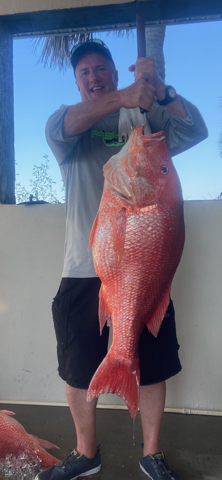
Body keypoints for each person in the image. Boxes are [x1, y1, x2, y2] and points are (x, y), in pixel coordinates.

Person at [37, 39, 208, 480]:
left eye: (101, 69)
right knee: (78, 370)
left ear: (116, 72)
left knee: (152, 365)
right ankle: (85, 453)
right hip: (82, 268)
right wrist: (126, 96)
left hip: (143, 272)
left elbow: (196, 131)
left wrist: (161, 90)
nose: (93, 77)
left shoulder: (147, 121)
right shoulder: (67, 124)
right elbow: (64, 125)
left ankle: (151, 453)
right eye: (85, 73)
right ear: (78, 82)